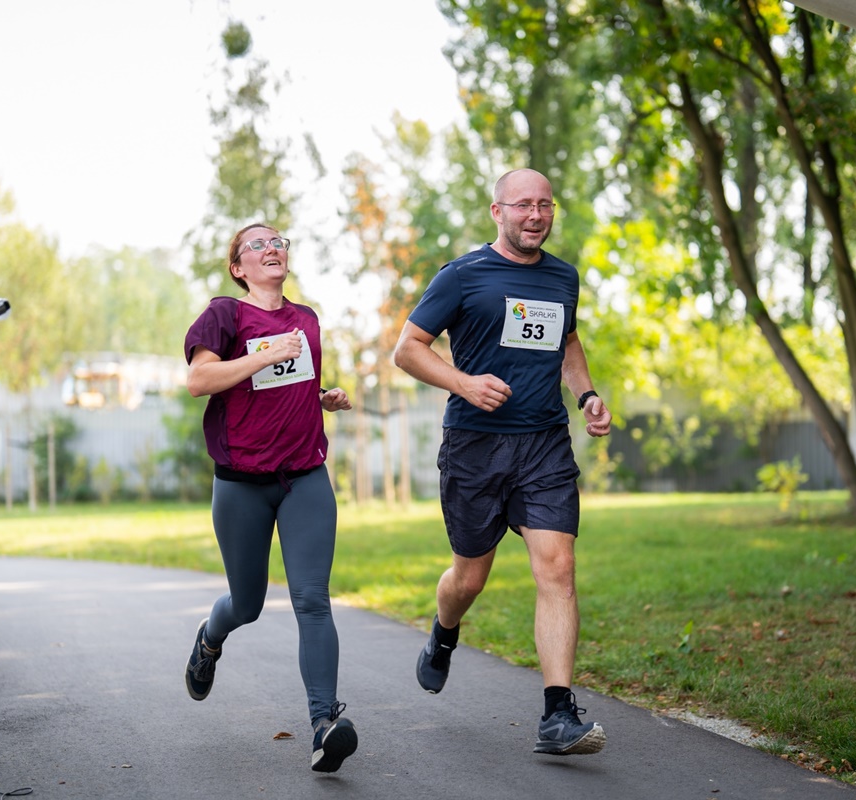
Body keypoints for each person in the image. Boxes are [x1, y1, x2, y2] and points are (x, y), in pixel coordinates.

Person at [393, 168, 613, 757]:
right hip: (475, 447)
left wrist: (586, 394)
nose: (535, 215)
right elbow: (407, 350)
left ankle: (557, 714)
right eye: (523, 205)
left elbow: (567, 343)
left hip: (544, 444)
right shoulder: (463, 276)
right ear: (498, 211)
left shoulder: (564, 277)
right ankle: (444, 632)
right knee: (470, 577)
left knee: (558, 567)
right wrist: (464, 384)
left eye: (545, 204)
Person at [182, 222, 359, 773]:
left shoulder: (305, 320)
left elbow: (286, 384)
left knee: (312, 599)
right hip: (241, 484)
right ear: (239, 267)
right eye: (256, 244)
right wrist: (261, 356)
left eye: (278, 239)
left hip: (304, 476)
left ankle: (324, 724)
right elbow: (198, 381)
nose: (272, 247)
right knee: (249, 603)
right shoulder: (225, 315)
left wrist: (322, 398)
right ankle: (210, 640)